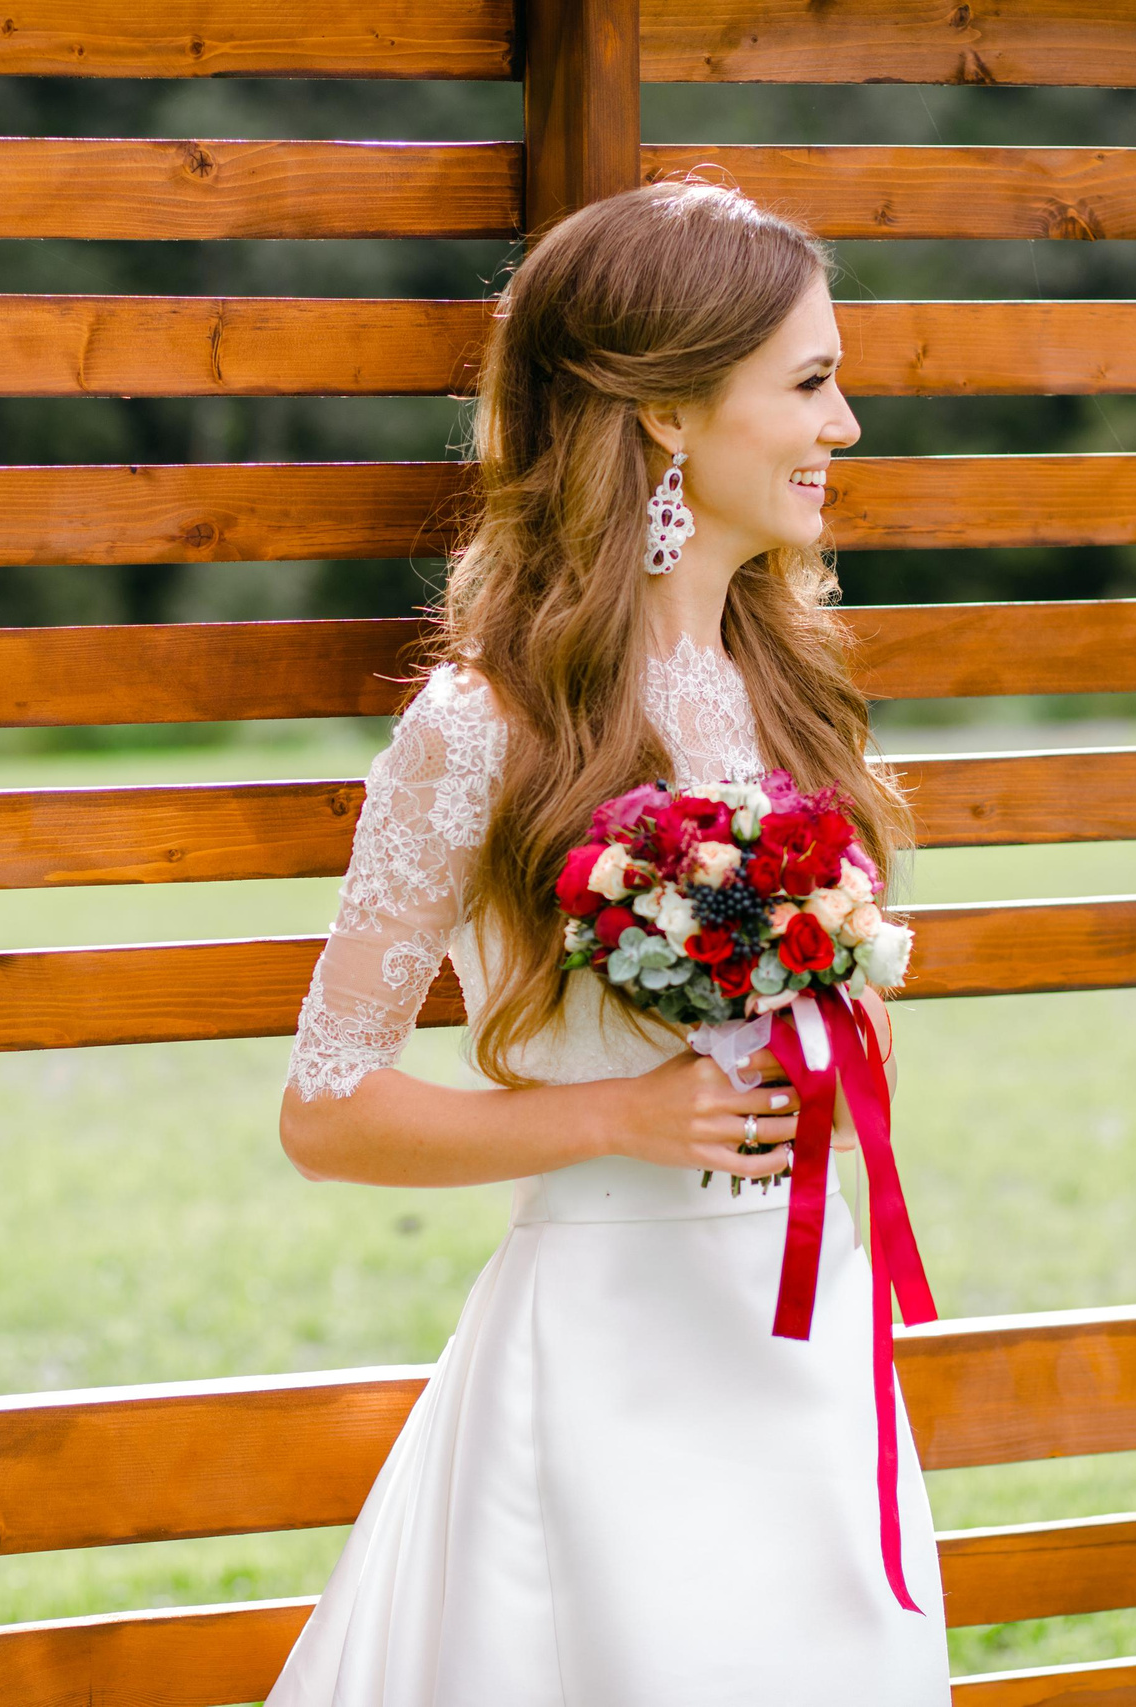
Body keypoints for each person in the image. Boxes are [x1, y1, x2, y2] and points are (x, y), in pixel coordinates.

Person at [268, 179, 951, 1704]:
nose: (844, 428)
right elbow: (327, 1108)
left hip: (808, 1334)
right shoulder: (478, 729)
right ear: (664, 414)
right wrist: (618, 1118)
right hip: (611, 1368)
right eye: (811, 383)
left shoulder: (790, 700)